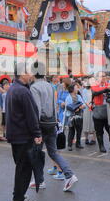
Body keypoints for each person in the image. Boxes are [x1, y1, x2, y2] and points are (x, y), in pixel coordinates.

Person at [29, 63, 78, 191]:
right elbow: (54, 105)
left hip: (41, 123)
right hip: (52, 122)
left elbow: (36, 110)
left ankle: (40, 181)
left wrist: (35, 130)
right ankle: (69, 174)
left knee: (37, 153)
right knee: (53, 152)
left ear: (33, 73)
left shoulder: (34, 87)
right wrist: (56, 121)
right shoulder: (51, 86)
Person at [6, 63, 42, 201]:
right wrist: (37, 133)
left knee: (21, 167)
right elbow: (31, 115)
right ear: (22, 74)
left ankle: (19, 195)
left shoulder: (13, 89)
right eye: (29, 72)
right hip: (23, 136)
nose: (32, 75)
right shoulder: (23, 91)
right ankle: (19, 200)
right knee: (24, 169)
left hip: (15, 135)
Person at [91, 71, 110, 153]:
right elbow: (95, 92)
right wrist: (106, 89)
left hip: (108, 109)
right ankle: (101, 146)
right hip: (98, 110)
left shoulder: (109, 83)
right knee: (99, 130)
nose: (103, 77)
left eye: (104, 76)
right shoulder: (94, 84)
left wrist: (107, 88)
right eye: (101, 76)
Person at [64, 83, 86, 151]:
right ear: (72, 89)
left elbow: (83, 104)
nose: (77, 89)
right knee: (71, 131)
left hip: (79, 115)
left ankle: (78, 144)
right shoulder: (68, 97)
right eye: (76, 87)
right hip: (71, 116)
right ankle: (69, 145)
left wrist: (79, 108)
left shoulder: (79, 96)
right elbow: (67, 107)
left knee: (79, 130)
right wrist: (77, 107)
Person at [81, 79, 96, 145]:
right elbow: (84, 99)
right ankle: (86, 138)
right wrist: (89, 105)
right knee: (86, 122)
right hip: (87, 108)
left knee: (94, 123)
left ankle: (93, 138)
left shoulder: (95, 89)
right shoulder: (84, 90)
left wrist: (92, 105)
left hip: (94, 107)